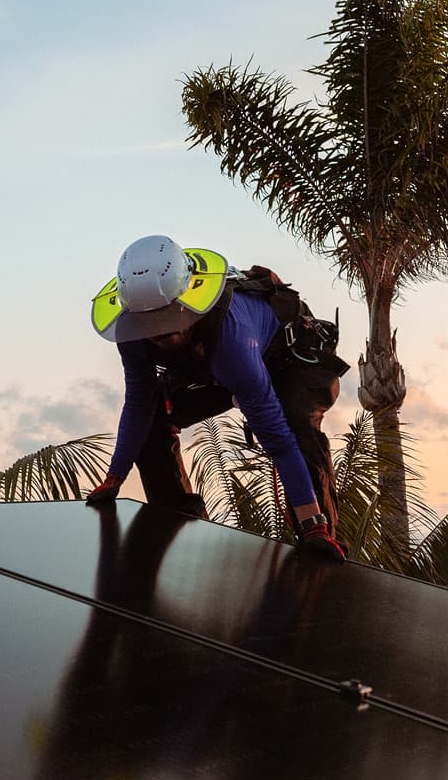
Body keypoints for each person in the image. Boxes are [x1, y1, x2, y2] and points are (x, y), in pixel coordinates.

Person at [86, 235, 349, 563]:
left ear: (187, 304)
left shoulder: (232, 342)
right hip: (205, 363)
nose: (157, 334)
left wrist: (313, 527)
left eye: (167, 325)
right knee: (153, 416)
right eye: (148, 326)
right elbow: (139, 402)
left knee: (294, 422)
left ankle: (318, 532)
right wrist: (114, 478)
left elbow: (278, 441)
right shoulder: (135, 332)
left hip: (286, 357)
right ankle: (179, 518)